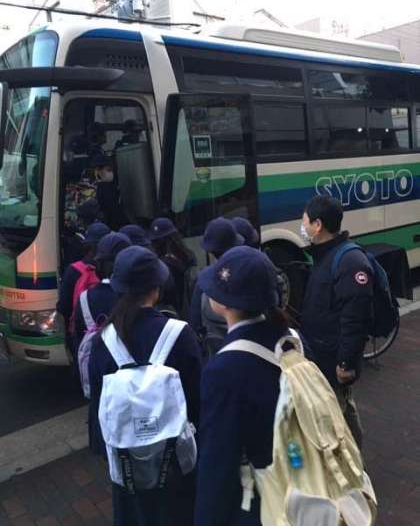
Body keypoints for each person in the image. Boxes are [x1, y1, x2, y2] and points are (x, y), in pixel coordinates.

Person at [88, 245, 203, 526]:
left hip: (127, 466)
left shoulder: (103, 342)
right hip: (177, 462)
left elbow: (98, 409)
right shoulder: (180, 334)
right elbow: (197, 402)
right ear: (156, 288)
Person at [194, 245, 294, 525]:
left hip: (262, 498)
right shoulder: (293, 339)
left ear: (225, 302)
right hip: (297, 476)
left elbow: (217, 462)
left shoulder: (224, 369)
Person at [300, 195, 373, 449]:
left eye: (305, 221)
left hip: (335, 360)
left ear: (318, 225)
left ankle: (352, 464)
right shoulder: (324, 255)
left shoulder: (349, 261)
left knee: (339, 418)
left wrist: (346, 362)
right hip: (322, 354)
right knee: (340, 411)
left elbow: (355, 319)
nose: (303, 226)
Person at [189, 217, 244, 354]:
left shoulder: (202, 281)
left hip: (217, 352)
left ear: (210, 250)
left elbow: (195, 323)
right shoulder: (249, 271)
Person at [73, 232, 132, 357]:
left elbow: (78, 334)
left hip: (97, 362)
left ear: (99, 263)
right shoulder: (137, 296)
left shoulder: (85, 298)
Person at [57, 222, 110, 353]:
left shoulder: (73, 270)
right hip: (108, 332)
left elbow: (63, 307)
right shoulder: (110, 269)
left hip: (80, 334)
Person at [149, 217, 196, 314]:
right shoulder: (188, 256)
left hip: (174, 312)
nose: (153, 245)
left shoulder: (163, 265)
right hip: (189, 308)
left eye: (155, 241)